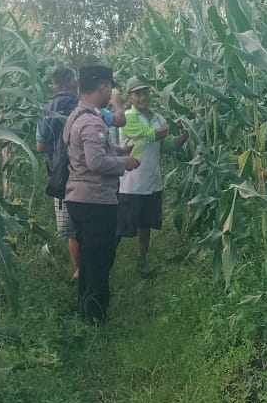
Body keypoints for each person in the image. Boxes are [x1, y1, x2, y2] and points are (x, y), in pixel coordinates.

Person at [65, 65, 139, 323]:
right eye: (110, 87)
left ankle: (85, 310)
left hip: (79, 197)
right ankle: (95, 318)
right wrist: (124, 164)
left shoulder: (77, 116)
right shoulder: (91, 121)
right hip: (95, 200)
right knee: (99, 259)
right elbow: (95, 163)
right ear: (103, 87)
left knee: (88, 257)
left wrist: (117, 151)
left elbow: (87, 155)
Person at [117, 80, 187, 272]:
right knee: (122, 228)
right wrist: (172, 126)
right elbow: (149, 135)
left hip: (152, 182)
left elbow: (168, 144)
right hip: (130, 183)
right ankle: (109, 261)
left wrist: (185, 134)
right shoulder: (127, 117)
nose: (142, 97)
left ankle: (142, 260)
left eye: (145, 92)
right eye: (137, 94)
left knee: (145, 225)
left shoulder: (158, 118)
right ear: (130, 97)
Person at [36, 66, 81, 280]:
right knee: (88, 222)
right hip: (86, 174)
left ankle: (77, 271)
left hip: (61, 177)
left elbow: (40, 146)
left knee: (71, 230)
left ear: (54, 86)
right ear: (74, 85)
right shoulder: (83, 106)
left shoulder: (46, 110)